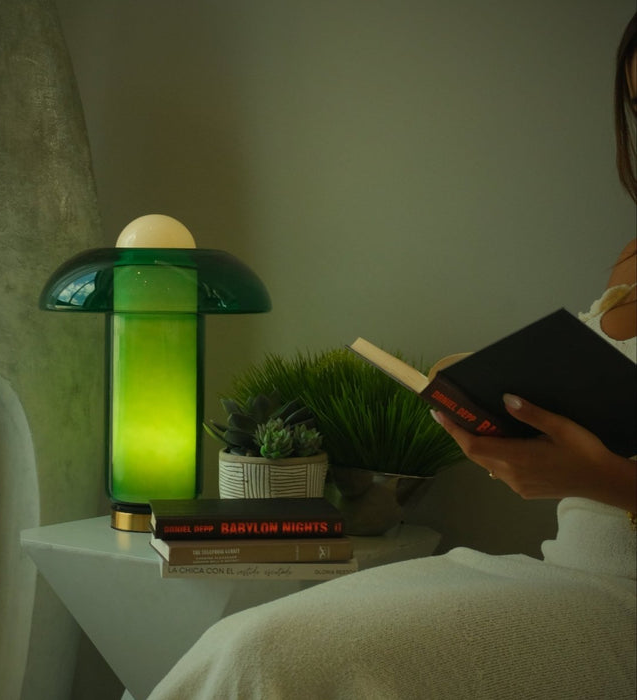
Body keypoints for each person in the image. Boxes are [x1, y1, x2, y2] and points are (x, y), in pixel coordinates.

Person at [148, 15, 636, 700]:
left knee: (270, 659)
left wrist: (609, 483)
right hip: (563, 572)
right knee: (245, 642)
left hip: (620, 604)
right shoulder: (630, 261)